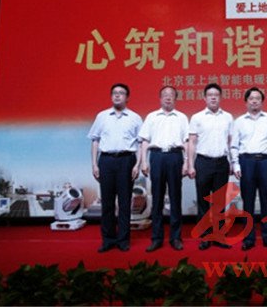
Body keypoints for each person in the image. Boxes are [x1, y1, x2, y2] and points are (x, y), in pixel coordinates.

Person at [88, 83, 142, 253]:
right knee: (107, 202)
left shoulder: (135, 118)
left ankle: (123, 240)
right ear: (111, 96)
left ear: (127, 97)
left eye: (121, 93)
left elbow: (140, 143)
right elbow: (95, 140)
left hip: (127, 160)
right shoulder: (102, 116)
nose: (117, 95)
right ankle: (108, 239)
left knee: (125, 202)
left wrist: (138, 164)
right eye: (114, 93)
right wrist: (94, 164)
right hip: (106, 161)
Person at [231, 87, 267, 250]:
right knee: (248, 202)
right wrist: (236, 164)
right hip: (246, 162)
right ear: (246, 102)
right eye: (251, 98)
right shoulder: (239, 121)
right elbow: (234, 146)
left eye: (257, 98)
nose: (254, 101)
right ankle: (248, 239)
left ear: (262, 101)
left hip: (266, 162)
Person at [139, 86, 189, 252]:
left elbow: (186, 142)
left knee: (175, 198)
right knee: (157, 199)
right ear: (160, 99)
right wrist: (144, 162)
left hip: (175, 157)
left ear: (175, 99)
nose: (168, 98)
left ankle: (176, 238)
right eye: (165, 95)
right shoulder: (152, 117)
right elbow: (145, 140)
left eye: (171, 95)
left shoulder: (182, 117)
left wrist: (186, 162)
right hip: (157, 157)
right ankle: (157, 238)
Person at [187, 83, 233, 250]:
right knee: (203, 201)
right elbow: (192, 143)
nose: (213, 97)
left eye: (216, 95)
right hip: (203, 162)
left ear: (220, 97)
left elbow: (230, 142)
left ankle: (219, 236)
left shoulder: (228, 117)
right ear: (204, 98)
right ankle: (205, 237)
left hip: (221, 162)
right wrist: (190, 165)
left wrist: (232, 162)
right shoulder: (197, 117)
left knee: (220, 202)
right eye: (210, 95)